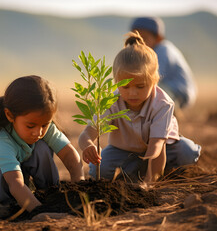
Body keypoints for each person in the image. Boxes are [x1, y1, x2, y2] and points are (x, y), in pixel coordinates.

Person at [78, 32, 201, 184]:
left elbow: (157, 147)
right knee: (100, 168)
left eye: (140, 86)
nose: (132, 93)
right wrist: (88, 145)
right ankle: (135, 169)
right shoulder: (111, 102)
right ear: (116, 82)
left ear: (154, 81)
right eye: (125, 86)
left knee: (186, 152)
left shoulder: (163, 104)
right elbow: (86, 134)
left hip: (162, 148)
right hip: (122, 150)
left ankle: (159, 171)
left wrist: (149, 182)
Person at [0, 75, 84, 212]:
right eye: (30, 126)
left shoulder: (40, 124)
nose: (38, 132)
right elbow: (15, 182)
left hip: (19, 166)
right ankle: (5, 202)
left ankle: (50, 191)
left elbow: (69, 154)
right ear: (10, 115)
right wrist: (38, 210)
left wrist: (80, 188)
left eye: (45, 125)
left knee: (42, 147)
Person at [130, 17, 197, 111]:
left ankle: (170, 110)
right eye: (135, 39)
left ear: (158, 38)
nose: (139, 43)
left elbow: (154, 77)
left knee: (149, 89)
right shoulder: (145, 53)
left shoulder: (162, 50)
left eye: (144, 38)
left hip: (179, 93)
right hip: (167, 87)